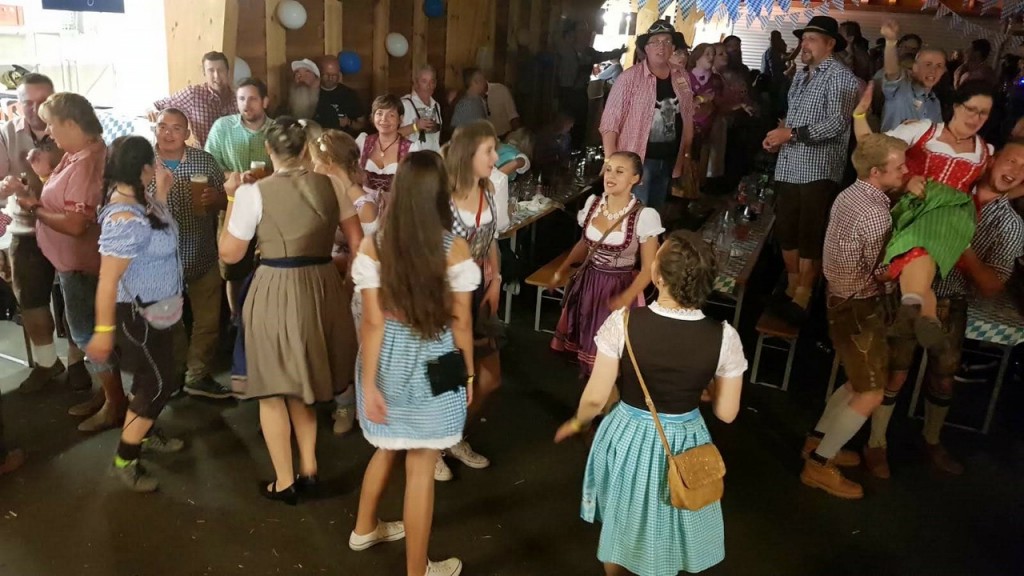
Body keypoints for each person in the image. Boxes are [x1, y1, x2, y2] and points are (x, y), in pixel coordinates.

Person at [554, 229, 746, 576]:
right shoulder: (725, 337)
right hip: (685, 439)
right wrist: (708, 385)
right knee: (671, 517)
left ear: (657, 276)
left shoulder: (623, 323)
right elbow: (727, 413)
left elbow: (596, 396)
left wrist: (578, 422)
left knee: (621, 520)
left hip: (627, 434)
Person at [219, 116, 362, 504]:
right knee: (301, 384)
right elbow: (357, 241)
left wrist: (232, 197)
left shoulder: (254, 193)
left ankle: (285, 482)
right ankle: (310, 469)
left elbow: (230, 253)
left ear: (269, 150)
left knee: (272, 391)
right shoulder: (332, 184)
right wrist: (345, 285)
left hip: (275, 286)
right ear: (304, 149)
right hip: (322, 285)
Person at [350, 151, 477, 576]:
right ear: (441, 194)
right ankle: (417, 571)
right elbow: (461, 323)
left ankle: (365, 528)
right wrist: (468, 374)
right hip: (435, 361)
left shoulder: (373, 245)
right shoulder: (454, 248)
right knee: (421, 465)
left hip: (384, 359)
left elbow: (372, 322)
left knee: (387, 446)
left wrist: (370, 384)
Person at [866, 140, 1024, 478]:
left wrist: (962, 246)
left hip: (951, 298)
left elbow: (992, 285)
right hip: (907, 290)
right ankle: (876, 443)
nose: (1016, 171)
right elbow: (897, 217)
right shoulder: (947, 188)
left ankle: (932, 440)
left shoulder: (1011, 224)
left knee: (944, 377)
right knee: (895, 372)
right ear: (992, 159)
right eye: (1012, 160)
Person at [800, 134, 909, 499]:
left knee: (856, 382)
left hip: (838, 298)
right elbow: (882, 273)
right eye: (899, 167)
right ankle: (819, 464)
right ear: (877, 172)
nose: (906, 172)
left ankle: (817, 441)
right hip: (859, 307)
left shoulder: (849, 194)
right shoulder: (876, 214)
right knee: (872, 391)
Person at [853, 81, 995, 350]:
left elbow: (1000, 185)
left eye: (983, 113)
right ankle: (925, 315)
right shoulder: (922, 130)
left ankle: (911, 305)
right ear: (956, 106)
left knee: (923, 241)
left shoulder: (985, 152)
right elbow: (872, 149)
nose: (976, 118)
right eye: (971, 109)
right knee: (919, 249)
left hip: (950, 217)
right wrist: (860, 116)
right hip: (913, 210)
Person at [18, 92, 128, 433]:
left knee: (86, 333)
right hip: (76, 262)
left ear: (70, 123)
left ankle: (115, 404)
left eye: (52, 125)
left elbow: (77, 223)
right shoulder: (80, 154)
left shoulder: (86, 163)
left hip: (82, 264)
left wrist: (35, 208)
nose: (49, 133)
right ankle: (107, 395)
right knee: (90, 331)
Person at [86, 136, 186, 492]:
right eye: (152, 163)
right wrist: (103, 331)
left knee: (150, 381)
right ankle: (125, 458)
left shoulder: (139, 200)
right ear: (143, 168)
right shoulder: (125, 218)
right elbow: (107, 280)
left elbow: (154, 232)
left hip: (158, 310)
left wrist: (162, 192)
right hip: (138, 316)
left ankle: (143, 429)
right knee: (157, 385)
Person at [762, 16, 860, 325]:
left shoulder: (842, 77)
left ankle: (803, 296)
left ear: (830, 44)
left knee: (810, 232)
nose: (804, 44)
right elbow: (791, 119)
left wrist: (790, 134)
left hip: (819, 169)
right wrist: (777, 137)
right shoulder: (802, 75)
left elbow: (837, 123)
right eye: (803, 39)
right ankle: (791, 286)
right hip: (790, 165)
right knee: (786, 229)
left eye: (812, 39)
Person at [0, 73, 90, 393]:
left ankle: (77, 362)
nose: (36, 108)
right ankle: (47, 363)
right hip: (26, 228)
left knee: (75, 299)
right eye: (29, 102)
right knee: (30, 300)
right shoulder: (6, 133)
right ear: (17, 104)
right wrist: (5, 187)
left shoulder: (73, 129)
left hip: (67, 227)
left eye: (43, 101)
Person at [550, 151, 662, 377]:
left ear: (635, 179)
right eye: (609, 169)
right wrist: (561, 270)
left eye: (620, 172)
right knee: (585, 343)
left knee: (606, 357)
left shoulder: (645, 216)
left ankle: (604, 393)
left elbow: (649, 269)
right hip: (588, 284)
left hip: (618, 286)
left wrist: (626, 297)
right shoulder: (593, 204)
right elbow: (585, 242)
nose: (610, 176)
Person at [437, 121, 503, 482]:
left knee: (489, 378)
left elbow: (491, 241)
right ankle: (432, 447)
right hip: (445, 293)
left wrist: (497, 279)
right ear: (468, 154)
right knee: (448, 377)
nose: (496, 157)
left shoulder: (488, 189)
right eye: (489, 150)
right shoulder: (443, 198)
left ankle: (453, 436)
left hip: (478, 288)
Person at [152, 109, 227, 396]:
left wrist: (217, 198)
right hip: (160, 259)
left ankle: (197, 374)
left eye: (176, 128)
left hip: (201, 251)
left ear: (187, 133)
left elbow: (225, 200)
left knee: (208, 320)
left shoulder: (204, 160)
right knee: (169, 321)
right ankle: (174, 375)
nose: (168, 133)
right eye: (163, 126)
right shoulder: (143, 163)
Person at [600, 20, 694, 213]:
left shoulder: (681, 76)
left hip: (669, 159)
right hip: (637, 162)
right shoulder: (629, 78)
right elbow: (610, 123)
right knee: (631, 215)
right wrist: (611, 163)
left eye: (667, 41)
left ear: (673, 48)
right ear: (646, 48)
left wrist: (686, 153)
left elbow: (687, 115)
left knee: (653, 216)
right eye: (655, 42)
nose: (662, 46)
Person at [205, 77, 273, 343]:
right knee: (232, 264)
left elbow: (288, 166)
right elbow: (210, 165)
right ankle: (236, 317)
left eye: (253, 98)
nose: (247, 104)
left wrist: (267, 177)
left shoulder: (276, 130)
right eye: (242, 98)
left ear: (265, 101)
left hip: (269, 206)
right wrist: (235, 176)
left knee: (267, 262)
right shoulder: (222, 127)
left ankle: (264, 315)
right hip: (232, 203)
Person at [558, 19, 626, 150]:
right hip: (565, 94)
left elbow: (603, 55)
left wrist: (619, 52)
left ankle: (576, 152)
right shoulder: (564, 51)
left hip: (581, 93)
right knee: (564, 126)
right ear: (573, 33)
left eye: (586, 31)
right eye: (581, 31)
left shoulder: (589, 52)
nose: (586, 34)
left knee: (580, 126)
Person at [150, 51, 236, 147]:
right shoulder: (193, 94)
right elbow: (157, 105)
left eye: (221, 70)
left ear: (228, 71)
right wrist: (152, 111)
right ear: (204, 73)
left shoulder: (239, 98)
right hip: (203, 154)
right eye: (211, 71)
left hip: (232, 154)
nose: (216, 76)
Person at [877, 20, 945, 132]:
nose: (933, 70)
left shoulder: (935, 102)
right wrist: (890, 42)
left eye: (939, 66)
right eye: (928, 64)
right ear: (915, 68)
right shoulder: (900, 89)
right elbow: (892, 73)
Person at [357, 95, 419, 209]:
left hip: (397, 209)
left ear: (400, 119)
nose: (384, 119)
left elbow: (414, 187)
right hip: (365, 209)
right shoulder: (363, 142)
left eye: (391, 115)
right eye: (379, 113)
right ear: (373, 117)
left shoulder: (411, 148)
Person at [315, 56, 367, 136]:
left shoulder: (349, 94)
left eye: (334, 75)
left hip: (342, 139)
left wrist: (348, 122)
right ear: (319, 73)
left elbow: (361, 124)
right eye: (327, 74)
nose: (330, 78)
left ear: (339, 74)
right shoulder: (311, 93)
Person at [399, 65, 442, 152]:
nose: (429, 86)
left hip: (433, 156)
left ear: (435, 84)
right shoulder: (405, 104)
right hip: (412, 158)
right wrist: (416, 126)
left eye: (432, 82)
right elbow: (392, 135)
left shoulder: (436, 105)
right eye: (424, 81)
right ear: (416, 83)